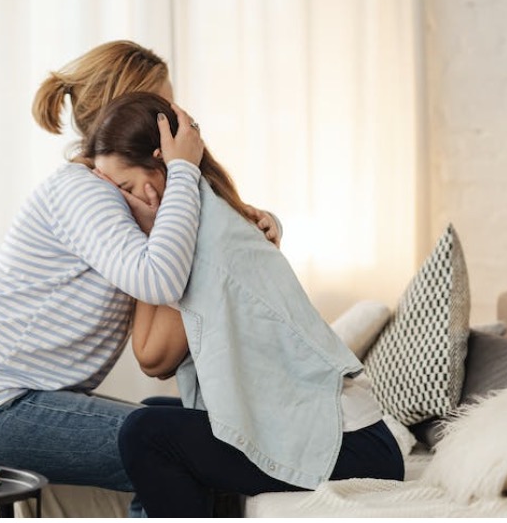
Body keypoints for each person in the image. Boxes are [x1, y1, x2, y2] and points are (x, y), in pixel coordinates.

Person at [0, 40, 279, 494]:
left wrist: (260, 222)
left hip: (9, 401)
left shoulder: (122, 195)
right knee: (170, 448)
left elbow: (186, 257)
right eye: (163, 107)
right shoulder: (83, 192)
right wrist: (184, 169)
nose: (175, 118)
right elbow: (160, 277)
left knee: (170, 431)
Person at [81, 91, 405, 517]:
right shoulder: (204, 216)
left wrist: (149, 238)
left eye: (123, 188)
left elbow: (152, 357)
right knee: (154, 412)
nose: (119, 205)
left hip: (352, 446)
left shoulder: (202, 235)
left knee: (145, 432)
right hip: (337, 435)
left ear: (161, 168)